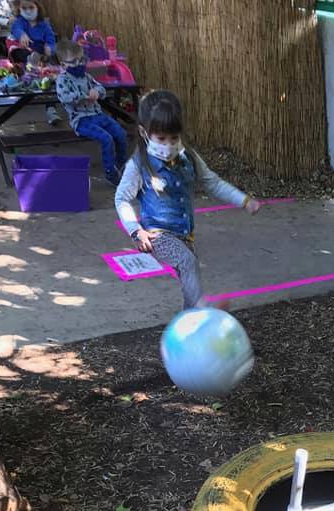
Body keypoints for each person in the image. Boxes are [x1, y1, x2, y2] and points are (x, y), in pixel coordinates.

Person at [115, 90, 260, 309]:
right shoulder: (138, 165)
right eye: (161, 138)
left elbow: (213, 182)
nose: (168, 145)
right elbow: (122, 198)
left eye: (174, 138)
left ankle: (190, 320)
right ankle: (202, 308)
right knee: (187, 261)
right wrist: (135, 230)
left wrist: (244, 200)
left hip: (185, 235)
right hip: (157, 234)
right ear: (144, 133)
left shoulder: (188, 157)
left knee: (189, 274)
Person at [55, 39, 127, 186]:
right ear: (63, 65)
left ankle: (120, 165)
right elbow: (64, 97)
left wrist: (97, 92)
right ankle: (110, 173)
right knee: (106, 139)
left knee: (121, 134)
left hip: (98, 115)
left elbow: (101, 88)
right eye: (73, 62)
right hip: (81, 120)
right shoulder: (62, 80)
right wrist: (84, 96)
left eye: (81, 60)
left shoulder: (86, 76)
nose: (79, 64)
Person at [8, 0, 59, 123]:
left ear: (37, 7)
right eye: (24, 8)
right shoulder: (19, 22)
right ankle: (32, 60)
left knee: (48, 78)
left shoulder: (44, 25)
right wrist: (22, 35)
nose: (28, 11)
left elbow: (51, 41)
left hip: (41, 58)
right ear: (19, 9)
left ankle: (51, 109)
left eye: (31, 7)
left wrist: (49, 48)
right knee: (20, 52)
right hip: (24, 55)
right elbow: (16, 29)